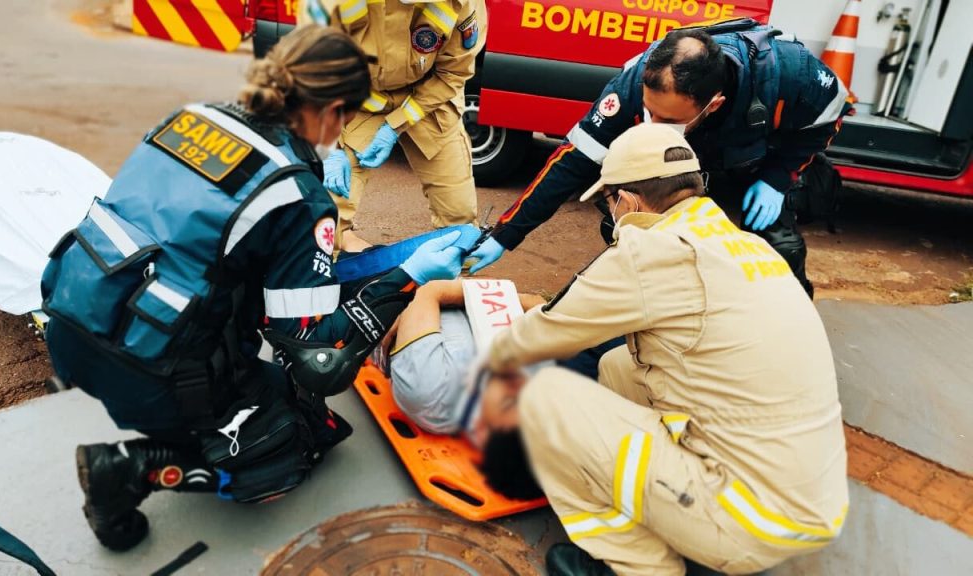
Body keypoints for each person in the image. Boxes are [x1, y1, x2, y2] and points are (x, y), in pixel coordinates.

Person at [39, 26, 467, 552]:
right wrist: (410, 277)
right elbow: (320, 357)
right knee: (297, 444)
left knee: (289, 395)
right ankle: (133, 469)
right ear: (333, 109)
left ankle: (156, 404)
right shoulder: (296, 197)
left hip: (77, 319)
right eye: (350, 116)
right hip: (149, 372)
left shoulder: (190, 117)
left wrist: (305, 177)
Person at [475, 124, 849, 575]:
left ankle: (637, 565)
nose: (610, 214)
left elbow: (531, 340)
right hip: (811, 500)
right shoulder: (744, 244)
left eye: (608, 202)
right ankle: (672, 508)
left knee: (543, 399)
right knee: (618, 365)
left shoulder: (650, 251)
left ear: (628, 201)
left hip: (752, 519)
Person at [468, 18, 852, 297]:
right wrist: (506, 234)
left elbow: (829, 118)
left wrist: (778, 178)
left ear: (713, 104)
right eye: (649, 112)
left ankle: (784, 320)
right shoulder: (636, 83)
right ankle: (648, 306)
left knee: (780, 247)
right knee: (631, 221)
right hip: (679, 162)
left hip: (754, 159)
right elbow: (574, 160)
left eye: (667, 118)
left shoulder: (789, 73)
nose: (652, 122)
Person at [301, 0, 489, 251]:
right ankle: (330, 272)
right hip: (361, 98)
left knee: (460, 218)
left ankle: (450, 285)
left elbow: (453, 73)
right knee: (326, 215)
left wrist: (394, 126)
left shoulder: (463, 2)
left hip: (430, 98)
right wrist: (328, 147)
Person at [376, 278, 545, 437]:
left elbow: (431, 290)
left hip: (400, 295)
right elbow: (536, 302)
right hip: (426, 298)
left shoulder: (430, 390)